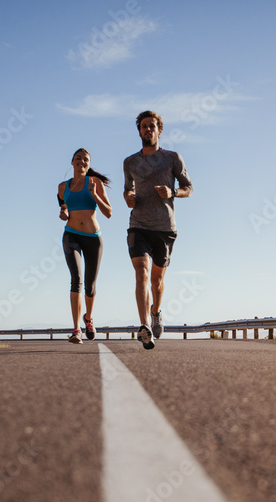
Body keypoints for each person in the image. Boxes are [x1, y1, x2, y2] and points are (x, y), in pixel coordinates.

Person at [123, 110, 193, 350]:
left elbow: (189, 188)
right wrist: (128, 197)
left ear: (159, 130)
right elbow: (127, 190)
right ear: (139, 131)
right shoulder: (130, 162)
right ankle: (144, 326)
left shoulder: (172, 158)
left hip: (164, 228)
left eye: (152, 126)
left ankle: (155, 312)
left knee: (157, 280)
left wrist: (173, 192)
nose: (148, 130)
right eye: (144, 126)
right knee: (141, 271)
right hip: (138, 225)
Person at [58, 148, 112, 343]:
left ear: (89, 164)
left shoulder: (94, 182)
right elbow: (63, 208)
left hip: (93, 238)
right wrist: (63, 213)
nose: (82, 161)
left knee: (90, 286)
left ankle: (88, 318)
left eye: (85, 159)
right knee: (76, 279)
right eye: (78, 158)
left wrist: (95, 194)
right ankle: (76, 330)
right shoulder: (62, 187)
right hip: (71, 235)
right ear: (72, 162)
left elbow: (109, 212)